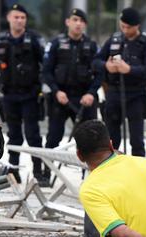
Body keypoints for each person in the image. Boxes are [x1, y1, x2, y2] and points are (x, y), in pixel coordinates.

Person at [0, 3, 45, 185]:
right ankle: (13, 172)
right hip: (9, 97)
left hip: (31, 95)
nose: (19, 20)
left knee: (33, 134)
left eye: (23, 18)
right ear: (9, 18)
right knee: (14, 135)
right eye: (16, 17)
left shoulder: (34, 40)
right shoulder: (1, 41)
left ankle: (38, 171)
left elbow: (47, 65)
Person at [43, 9, 101, 179]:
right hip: (61, 98)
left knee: (89, 139)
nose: (78, 24)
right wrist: (56, 91)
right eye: (75, 20)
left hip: (85, 99)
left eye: (82, 21)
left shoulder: (92, 46)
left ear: (85, 25)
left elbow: (99, 74)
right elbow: (46, 72)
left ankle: (90, 176)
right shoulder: (56, 43)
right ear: (68, 22)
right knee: (53, 137)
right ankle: (48, 173)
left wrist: (91, 93)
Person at [97, 7, 146, 157]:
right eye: (122, 26)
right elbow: (95, 61)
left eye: (128, 27)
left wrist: (129, 69)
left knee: (136, 141)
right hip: (114, 93)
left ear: (137, 26)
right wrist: (107, 66)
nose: (124, 30)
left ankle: (138, 175)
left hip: (136, 95)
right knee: (111, 139)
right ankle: (112, 170)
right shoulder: (114, 39)